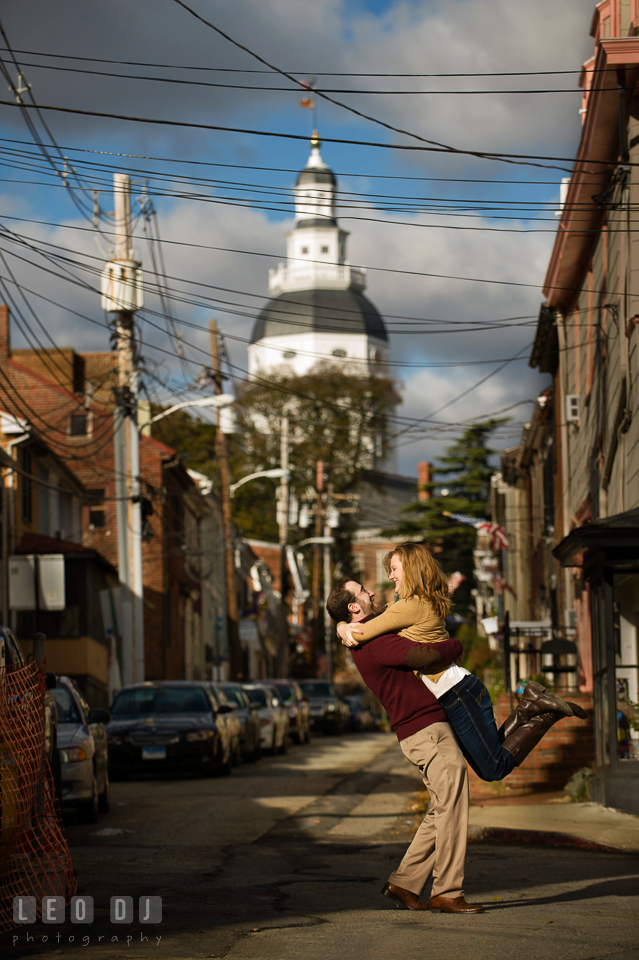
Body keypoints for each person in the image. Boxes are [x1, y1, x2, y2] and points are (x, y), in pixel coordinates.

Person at [332, 543, 587, 782]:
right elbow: (369, 622)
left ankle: (544, 713)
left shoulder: (407, 607)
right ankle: (530, 706)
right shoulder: (407, 603)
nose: (390, 576)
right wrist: (342, 623)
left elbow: (361, 632)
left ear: (410, 570)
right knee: (491, 759)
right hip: (458, 691)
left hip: (456, 692)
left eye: (394, 569)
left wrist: (343, 628)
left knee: (493, 768)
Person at [323, 595, 483, 914]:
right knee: (453, 804)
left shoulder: (362, 635)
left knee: (443, 806)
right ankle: (448, 892)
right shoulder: (371, 638)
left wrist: (340, 625)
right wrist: (454, 646)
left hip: (419, 730)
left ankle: (405, 883)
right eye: (363, 593)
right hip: (426, 730)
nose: (371, 594)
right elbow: (420, 656)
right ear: (355, 608)